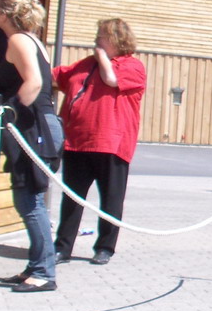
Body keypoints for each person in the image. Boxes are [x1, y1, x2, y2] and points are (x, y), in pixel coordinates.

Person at [52, 18, 146, 266]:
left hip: (111, 144)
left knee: (111, 199)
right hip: (77, 142)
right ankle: (62, 247)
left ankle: (105, 247)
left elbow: (111, 79)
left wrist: (103, 57)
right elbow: (57, 77)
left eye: (101, 35)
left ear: (116, 39)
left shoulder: (132, 66)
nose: (96, 39)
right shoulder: (85, 64)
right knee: (72, 199)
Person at [0, 0, 64, 292]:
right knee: (28, 199)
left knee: (30, 201)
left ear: (4, 14)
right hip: (37, 126)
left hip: (34, 128)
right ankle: (35, 266)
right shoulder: (31, 40)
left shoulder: (18, 40)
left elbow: (35, 82)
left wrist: (9, 112)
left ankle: (44, 273)